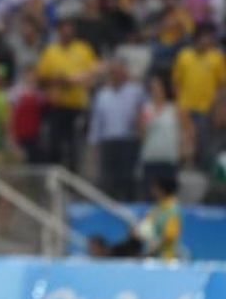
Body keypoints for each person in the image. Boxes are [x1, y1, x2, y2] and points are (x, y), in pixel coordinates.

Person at [35, 17, 98, 171]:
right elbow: (40, 80)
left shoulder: (83, 49)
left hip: (76, 105)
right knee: (54, 146)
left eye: (70, 28)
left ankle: (74, 178)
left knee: (74, 147)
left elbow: (94, 73)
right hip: (56, 106)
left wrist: (76, 80)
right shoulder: (51, 51)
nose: (67, 32)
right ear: (59, 31)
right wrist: (58, 80)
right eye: (64, 29)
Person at [87, 58, 144, 201]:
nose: (116, 75)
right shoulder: (102, 95)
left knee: (127, 180)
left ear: (125, 73)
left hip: (128, 141)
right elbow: (97, 121)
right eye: (113, 72)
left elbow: (144, 112)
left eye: (119, 72)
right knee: (107, 181)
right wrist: (94, 144)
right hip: (108, 142)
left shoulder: (136, 91)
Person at [172, 23, 226, 168]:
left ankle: (203, 169)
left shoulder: (217, 58)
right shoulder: (184, 56)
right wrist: (179, 104)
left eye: (209, 37)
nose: (207, 41)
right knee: (185, 141)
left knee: (204, 141)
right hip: (186, 107)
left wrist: (219, 108)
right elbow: (176, 82)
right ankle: (185, 167)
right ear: (197, 38)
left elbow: (222, 86)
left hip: (206, 108)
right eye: (204, 37)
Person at [139, 75, 180, 199]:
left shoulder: (174, 109)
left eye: (157, 88)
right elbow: (141, 134)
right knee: (149, 197)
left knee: (168, 199)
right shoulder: (146, 109)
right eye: (152, 88)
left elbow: (184, 133)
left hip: (168, 160)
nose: (155, 91)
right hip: (150, 159)